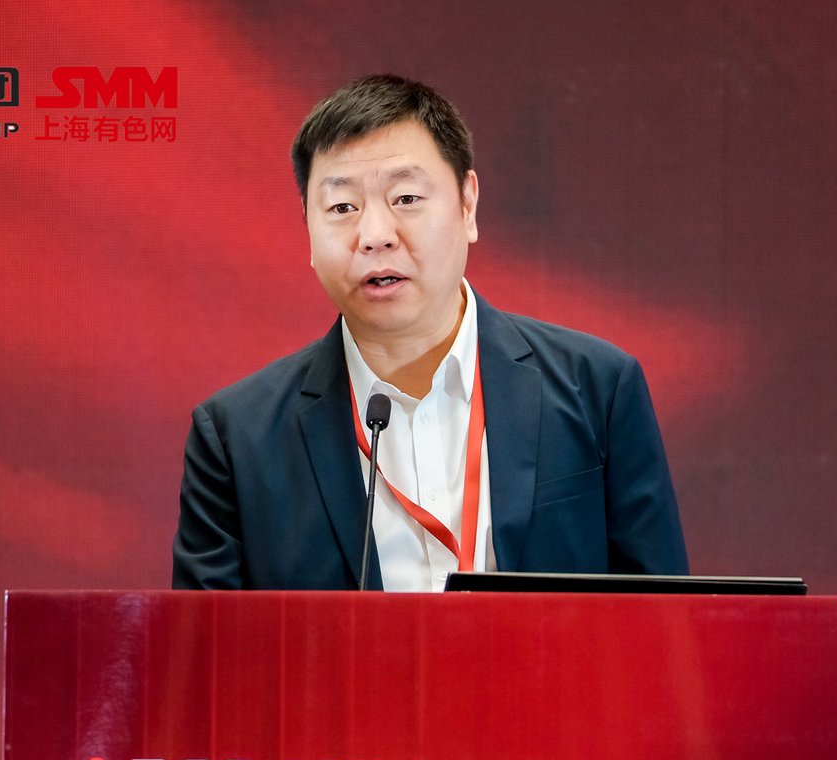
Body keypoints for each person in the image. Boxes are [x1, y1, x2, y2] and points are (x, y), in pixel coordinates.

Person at [172, 74, 686, 590]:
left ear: (467, 204)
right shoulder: (237, 440)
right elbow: (210, 640)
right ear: (307, 227)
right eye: (342, 208)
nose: (375, 236)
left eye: (406, 198)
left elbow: (665, 621)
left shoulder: (596, 389)